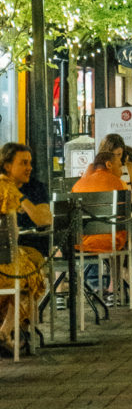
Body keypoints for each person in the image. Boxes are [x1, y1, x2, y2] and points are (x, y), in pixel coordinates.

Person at [0, 143, 48, 357]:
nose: (29, 167)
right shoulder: (5, 189)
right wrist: (15, 195)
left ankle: (13, 331)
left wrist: (21, 197)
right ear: (7, 166)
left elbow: (44, 219)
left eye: (30, 163)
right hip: (9, 257)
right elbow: (13, 234)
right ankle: (10, 330)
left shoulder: (35, 188)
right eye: (23, 163)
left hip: (26, 249)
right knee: (30, 277)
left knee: (27, 268)